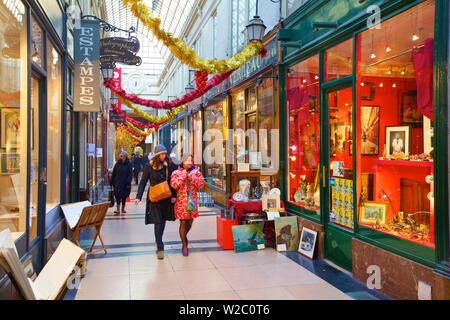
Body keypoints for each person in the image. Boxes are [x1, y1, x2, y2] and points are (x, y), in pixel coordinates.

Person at [134, 145, 176, 260]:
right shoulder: (149, 167)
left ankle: (158, 240)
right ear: (157, 155)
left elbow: (172, 182)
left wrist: (174, 196)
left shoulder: (168, 166)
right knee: (157, 222)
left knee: (162, 222)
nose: (164, 156)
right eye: (162, 154)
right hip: (154, 199)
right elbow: (143, 182)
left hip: (166, 199)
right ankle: (160, 247)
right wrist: (138, 197)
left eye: (165, 154)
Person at [170, 154, 205, 256]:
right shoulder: (176, 173)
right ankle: (184, 245)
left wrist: (192, 177)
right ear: (182, 162)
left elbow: (201, 184)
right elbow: (174, 185)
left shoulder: (196, 172)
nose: (190, 162)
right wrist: (183, 176)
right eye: (187, 160)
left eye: (191, 160)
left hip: (192, 202)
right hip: (181, 202)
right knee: (183, 222)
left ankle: (184, 237)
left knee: (190, 222)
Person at [111, 151, 133, 215]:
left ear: (125, 157)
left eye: (122, 156)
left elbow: (130, 174)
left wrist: (128, 182)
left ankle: (123, 209)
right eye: (120, 156)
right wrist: (112, 182)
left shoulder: (129, 164)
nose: (121, 157)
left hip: (125, 183)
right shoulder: (117, 164)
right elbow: (114, 173)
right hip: (117, 182)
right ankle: (118, 209)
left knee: (124, 196)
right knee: (117, 196)